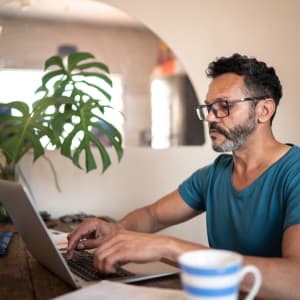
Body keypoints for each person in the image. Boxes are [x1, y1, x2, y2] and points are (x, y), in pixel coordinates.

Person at [67, 53, 300, 299]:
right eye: (209, 107)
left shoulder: (294, 174)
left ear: (264, 110)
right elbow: (152, 216)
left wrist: (169, 247)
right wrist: (114, 230)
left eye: (223, 106)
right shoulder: (214, 174)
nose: (210, 117)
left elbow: (296, 281)